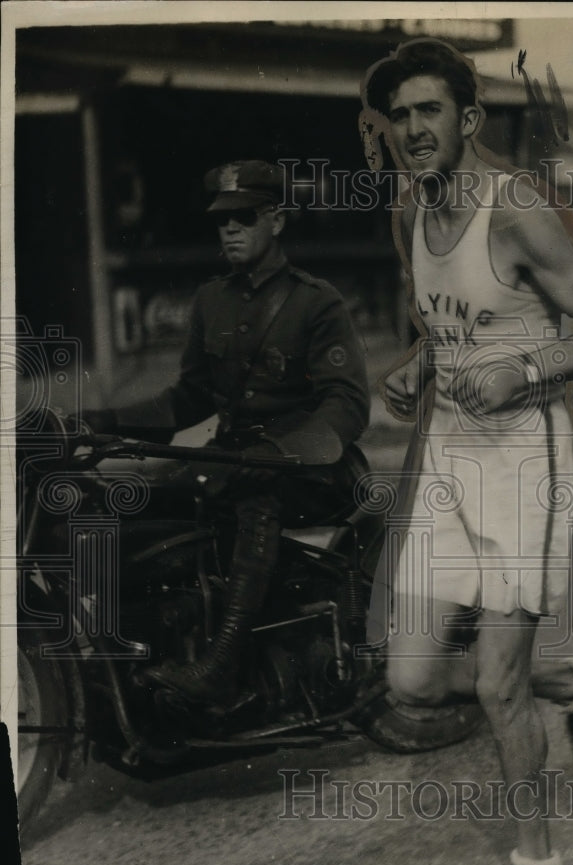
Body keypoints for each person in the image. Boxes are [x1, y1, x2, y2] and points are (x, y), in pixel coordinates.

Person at [361, 40, 573, 865]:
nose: (412, 129)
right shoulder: (409, 209)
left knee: (492, 684)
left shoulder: (517, 212)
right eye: (398, 115)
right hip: (450, 458)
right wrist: (416, 369)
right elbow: (450, 327)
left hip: (528, 464)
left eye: (429, 111)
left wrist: (526, 368)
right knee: (409, 681)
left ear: (468, 120)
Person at [80, 160, 370, 705]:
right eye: (222, 220)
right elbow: (187, 396)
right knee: (126, 503)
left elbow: (347, 403)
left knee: (254, 492)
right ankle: (142, 655)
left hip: (312, 469)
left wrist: (280, 452)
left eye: (244, 217)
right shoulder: (212, 300)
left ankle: (223, 665)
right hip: (230, 462)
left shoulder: (316, 302)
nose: (230, 229)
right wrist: (103, 420)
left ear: (277, 221)